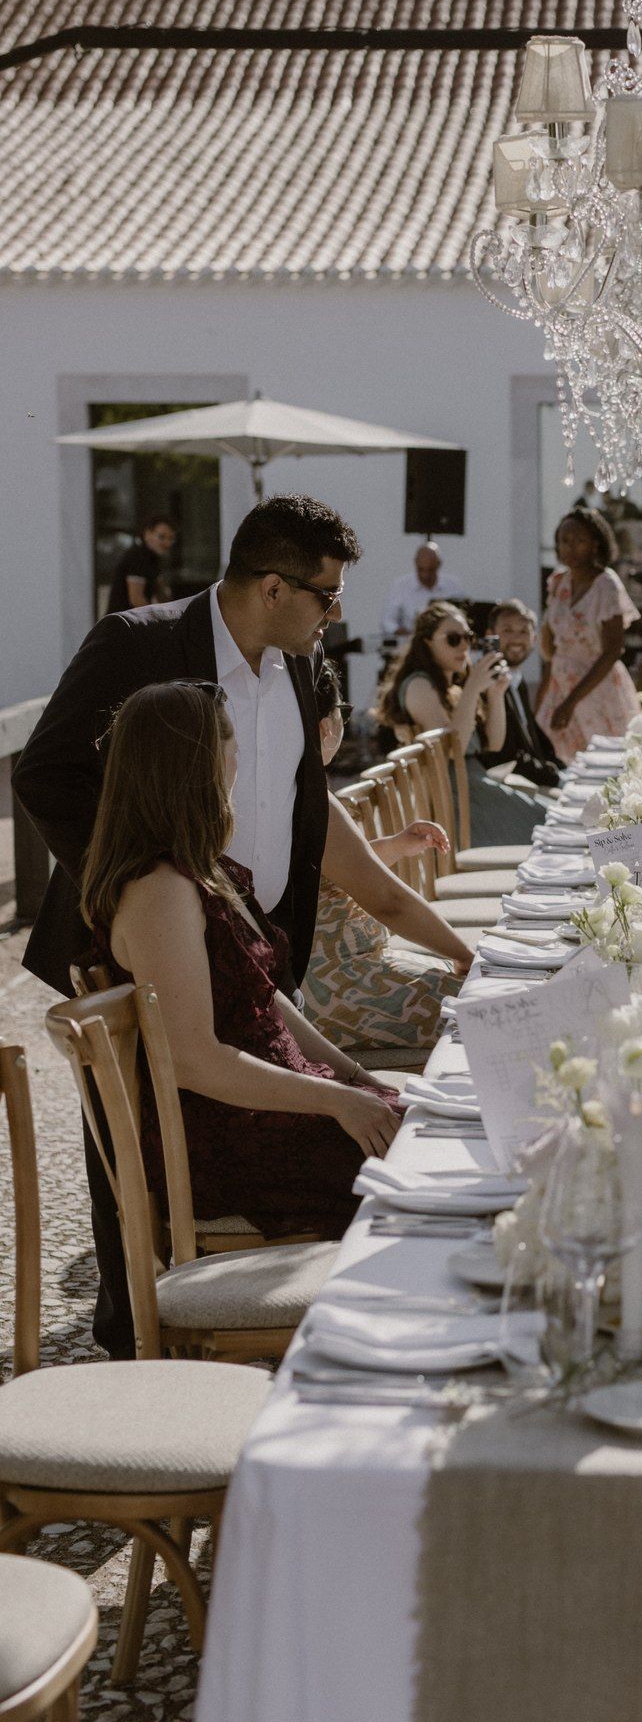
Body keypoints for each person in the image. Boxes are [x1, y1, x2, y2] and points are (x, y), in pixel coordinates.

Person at [15, 490, 361, 1354]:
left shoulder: (305, 662)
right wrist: (135, 882)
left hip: (255, 937)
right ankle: (136, 1342)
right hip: (152, 929)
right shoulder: (137, 642)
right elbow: (46, 772)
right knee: (134, 1165)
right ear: (274, 587)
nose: (336, 614)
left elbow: (296, 796)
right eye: (328, 595)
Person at [83, 682, 401, 1241]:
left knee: (421, 1129)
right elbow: (194, 1060)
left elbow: (263, 995)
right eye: (231, 742)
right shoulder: (160, 891)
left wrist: (356, 1079)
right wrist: (338, 1101)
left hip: (266, 1105)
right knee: (425, 1174)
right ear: (199, 762)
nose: (240, 756)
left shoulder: (198, 867)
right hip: (227, 1135)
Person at [302, 664, 473, 1069]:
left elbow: (331, 871)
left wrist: (394, 845)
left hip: (324, 982)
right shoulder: (310, 801)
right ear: (327, 726)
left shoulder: (275, 793)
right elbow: (388, 902)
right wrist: (466, 955)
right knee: (496, 1009)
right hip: (341, 988)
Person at [373, 602, 539, 845]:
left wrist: (495, 694)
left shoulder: (453, 689)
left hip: (475, 792)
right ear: (427, 641)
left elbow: (494, 743)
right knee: (555, 826)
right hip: (458, 805)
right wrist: (472, 688)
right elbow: (453, 750)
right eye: (453, 639)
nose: (464, 646)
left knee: (559, 820)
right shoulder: (418, 685)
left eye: (468, 638)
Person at [536, 507, 641, 762]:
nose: (569, 547)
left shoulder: (606, 585)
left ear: (595, 544)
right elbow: (551, 645)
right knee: (560, 763)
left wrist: (572, 701)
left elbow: (613, 649)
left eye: (578, 540)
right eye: (564, 541)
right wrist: (544, 693)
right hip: (560, 686)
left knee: (603, 763)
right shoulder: (558, 582)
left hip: (595, 688)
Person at [477, 598, 562, 791]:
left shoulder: (517, 678)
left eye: (524, 631)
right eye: (507, 630)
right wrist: (555, 779)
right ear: (490, 635)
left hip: (530, 781)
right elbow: (506, 756)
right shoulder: (486, 682)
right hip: (502, 787)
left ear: (534, 638)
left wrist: (561, 769)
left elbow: (534, 741)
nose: (516, 638)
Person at [382, 540, 460, 637]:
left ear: (439, 565)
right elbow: (387, 622)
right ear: (415, 564)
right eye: (421, 569)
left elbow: (462, 618)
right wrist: (404, 634)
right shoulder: (400, 586)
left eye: (430, 570)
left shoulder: (453, 586)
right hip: (411, 644)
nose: (425, 575)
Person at [107, 514, 176, 613]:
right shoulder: (138, 557)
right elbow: (136, 599)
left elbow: (161, 593)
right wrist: (157, 619)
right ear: (147, 534)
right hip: (122, 623)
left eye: (171, 538)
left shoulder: (153, 558)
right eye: (162, 537)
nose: (167, 543)